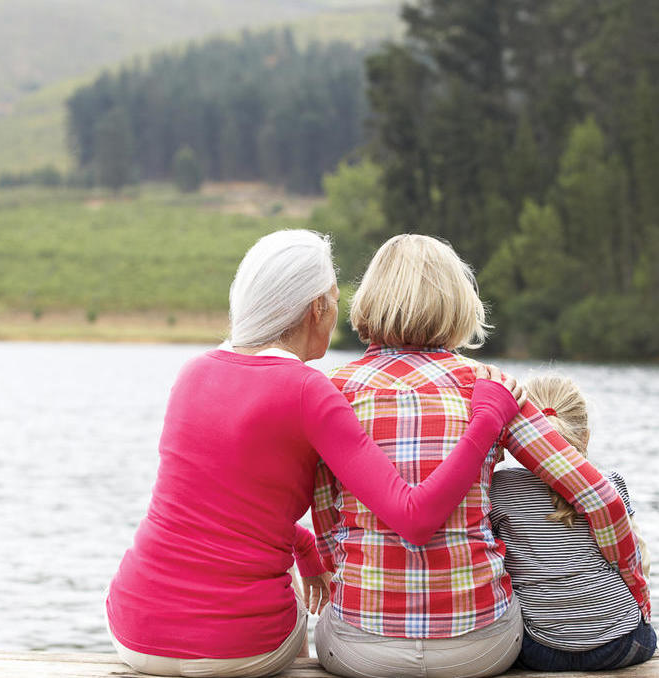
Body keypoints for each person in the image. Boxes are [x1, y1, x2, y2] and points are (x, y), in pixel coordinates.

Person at [104, 229, 524, 678]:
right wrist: (487, 419)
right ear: (317, 307)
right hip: (238, 648)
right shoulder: (309, 391)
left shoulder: (192, 373)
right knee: (311, 613)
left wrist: (305, 550)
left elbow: (220, 511)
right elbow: (413, 516)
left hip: (132, 628)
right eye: (334, 300)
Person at [311, 234, 649, 678]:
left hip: (364, 648)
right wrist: (635, 588)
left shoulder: (330, 391)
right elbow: (598, 498)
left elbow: (327, 522)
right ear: (457, 301)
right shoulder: (491, 386)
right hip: (480, 646)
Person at [490, 376, 656, 671]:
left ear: (516, 439)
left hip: (541, 649)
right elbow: (638, 562)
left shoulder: (499, 490)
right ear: (586, 436)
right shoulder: (610, 486)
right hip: (621, 645)